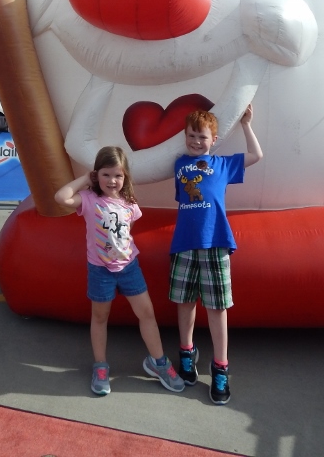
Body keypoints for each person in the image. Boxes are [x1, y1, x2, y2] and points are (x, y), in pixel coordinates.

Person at [55, 146, 185, 396]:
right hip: (100, 270)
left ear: (125, 177)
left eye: (118, 175)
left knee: (147, 313)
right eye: (105, 175)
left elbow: (126, 232)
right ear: (97, 175)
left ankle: (158, 363)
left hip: (128, 267)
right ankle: (101, 367)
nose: (112, 181)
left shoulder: (129, 203)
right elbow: (61, 198)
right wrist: (85, 178)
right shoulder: (90, 200)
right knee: (100, 317)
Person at [169, 104, 262, 405]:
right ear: (185, 136)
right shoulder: (179, 165)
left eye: (203, 137)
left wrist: (246, 125)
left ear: (214, 139)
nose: (196, 141)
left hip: (216, 243)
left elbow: (256, 156)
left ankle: (220, 367)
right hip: (184, 243)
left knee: (217, 307)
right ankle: (186, 353)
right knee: (184, 301)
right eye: (192, 135)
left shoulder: (222, 164)